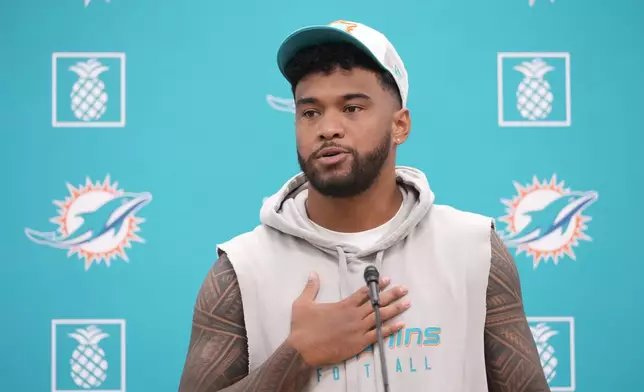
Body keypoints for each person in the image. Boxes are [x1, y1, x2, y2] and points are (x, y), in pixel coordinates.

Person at [177, 20, 550, 392]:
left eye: (352, 108)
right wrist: (298, 354)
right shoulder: (242, 269)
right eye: (310, 112)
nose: (328, 128)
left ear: (400, 126)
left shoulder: (472, 249)